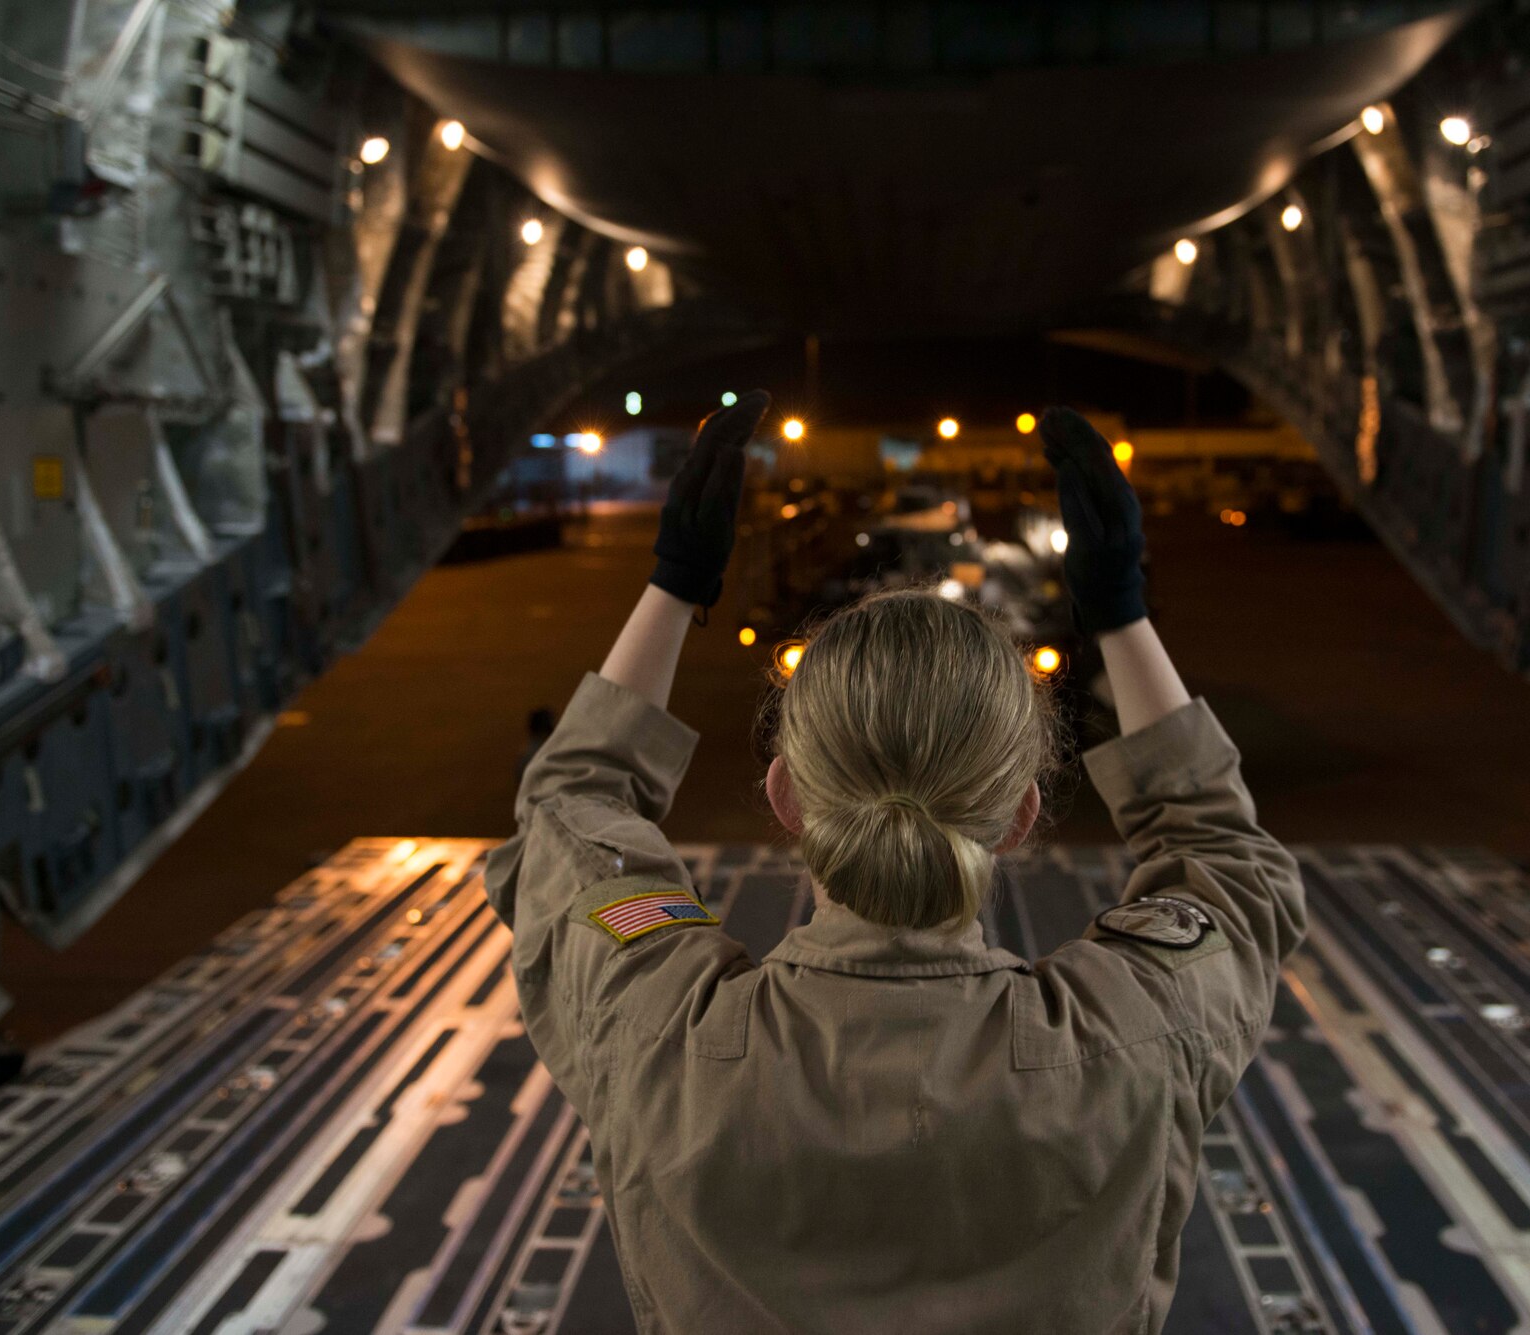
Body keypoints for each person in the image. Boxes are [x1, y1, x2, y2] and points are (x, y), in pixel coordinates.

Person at [484, 390, 1307, 1334]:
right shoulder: (1136, 1037)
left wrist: (674, 583)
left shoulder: (659, 1033)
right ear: (1019, 815)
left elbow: (569, 807)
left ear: (788, 797)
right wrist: (1121, 612)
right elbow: (1225, 856)